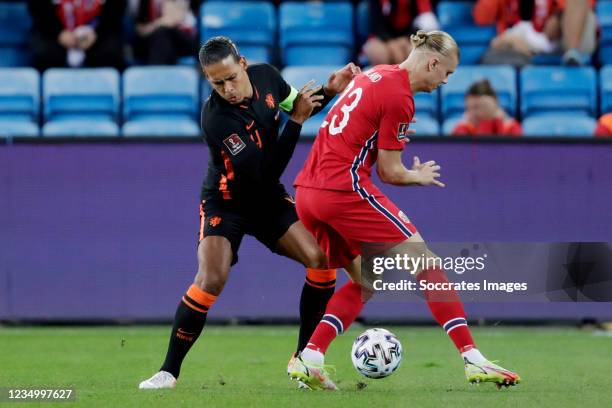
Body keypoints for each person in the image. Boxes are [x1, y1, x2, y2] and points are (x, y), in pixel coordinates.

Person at [288, 30, 521, 390]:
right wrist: (419, 176)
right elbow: (390, 172)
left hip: (308, 192)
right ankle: (472, 358)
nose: (445, 81)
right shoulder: (400, 95)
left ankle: (311, 356)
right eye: (447, 73)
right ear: (432, 62)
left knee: (366, 280)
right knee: (426, 264)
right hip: (342, 189)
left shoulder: (375, 74)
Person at [138, 36, 361, 389]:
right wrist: (298, 123)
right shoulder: (215, 118)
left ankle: (303, 362)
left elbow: (298, 106)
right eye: (216, 82)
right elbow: (263, 170)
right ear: (207, 80)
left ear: (242, 63)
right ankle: (168, 371)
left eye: (230, 77)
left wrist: (330, 91)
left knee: (322, 259)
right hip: (226, 202)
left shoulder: (268, 78)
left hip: (266, 199)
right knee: (212, 278)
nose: (227, 88)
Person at [474, 0, 597, 65]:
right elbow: (482, 17)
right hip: (518, 39)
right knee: (500, 44)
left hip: (560, 37)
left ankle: (572, 54)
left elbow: (584, 4)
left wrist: (559, 15)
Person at [27, 0, 126, 71]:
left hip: (98, 35)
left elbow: (116, 8)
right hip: (55, 35)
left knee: (110, 51)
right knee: (44, 52)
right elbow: (38, 8)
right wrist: (59, 33)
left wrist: (96, 33)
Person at [363, 0, 439, 65]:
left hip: (408, 37)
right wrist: (391, 42)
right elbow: (376, 25)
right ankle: (384, 79)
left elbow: (423, 24)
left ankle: (407, 79)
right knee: (379, 53)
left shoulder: (419, 2)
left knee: (415, 52)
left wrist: (405, 39)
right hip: (382, 38)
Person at [133, 0, 198, 65]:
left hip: (182, 39)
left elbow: (171, 21)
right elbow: (141, 30)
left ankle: (159, 71)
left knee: (162, 33)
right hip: (152, 41)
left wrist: (153, 26)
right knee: (161, 35)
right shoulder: (146, 2)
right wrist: (157, 25)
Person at [452, 79, 522, 137]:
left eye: (476, 107)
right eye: (468, 108)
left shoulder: (512, 127)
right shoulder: (462, 128)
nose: (471, 113)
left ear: (493, 105)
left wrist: (492, 122)